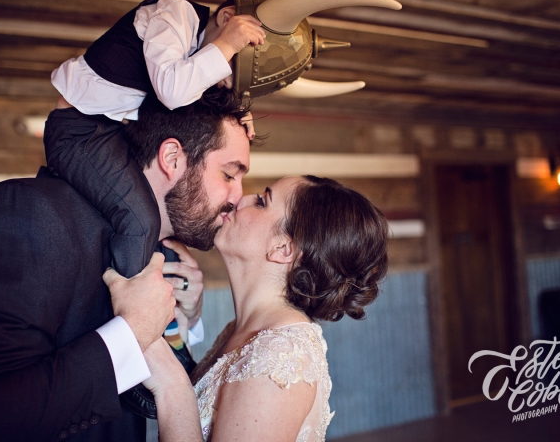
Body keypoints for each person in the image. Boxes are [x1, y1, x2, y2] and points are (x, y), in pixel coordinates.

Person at [0, 93, 252, 442]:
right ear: (171, 158)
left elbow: (145, 398)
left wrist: (179, 323)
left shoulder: (161, 254)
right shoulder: (28, 215)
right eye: (229, 174)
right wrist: (133, 331)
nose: (237, 196)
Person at [136, 175, 389, 441]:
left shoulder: (279, 359)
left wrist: (172, 385)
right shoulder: (244, 331)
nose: (239, 199)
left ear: (282, 248)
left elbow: (179, 395)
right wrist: (181, 323)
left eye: (261, 201)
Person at [46, 0, 263, 279]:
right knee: (141, 222)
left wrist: (237, 111)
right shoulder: (175, 14)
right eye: (226, 70)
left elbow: (192, 94)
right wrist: (227, 44)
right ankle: (131, 295)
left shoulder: (191, 52)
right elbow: (172, 90)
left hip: (109, 128)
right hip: (79, 130)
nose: (220, 81)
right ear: (226, 18)